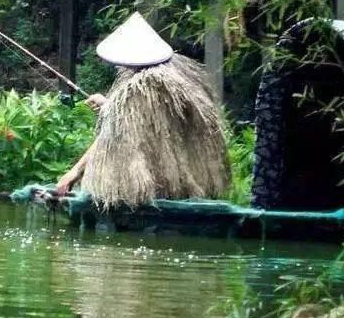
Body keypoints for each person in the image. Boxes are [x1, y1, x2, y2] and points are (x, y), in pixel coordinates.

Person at [56, 12, 230, 207]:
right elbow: (138, 119)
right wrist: (108, 106)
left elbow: (116, 134)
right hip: (181, 184)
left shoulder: (142, 86)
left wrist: (73, 173)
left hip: (149, 187)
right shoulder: (177, 74)